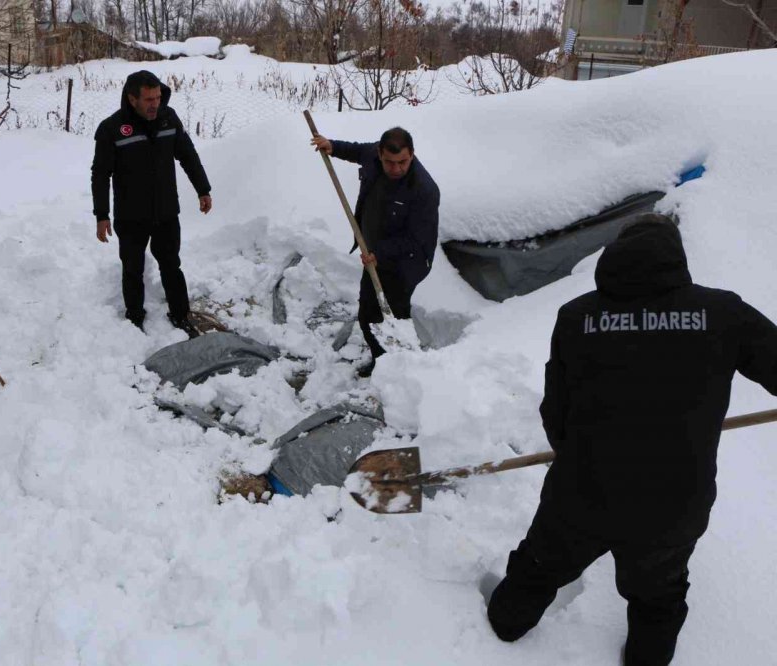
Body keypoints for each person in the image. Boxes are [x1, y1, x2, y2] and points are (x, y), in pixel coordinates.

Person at [487, 215, 777, 666]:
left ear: (615, 253)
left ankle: (501, 631)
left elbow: (555, 412)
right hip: (674, 502)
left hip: (582, 493)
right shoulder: (723, 314)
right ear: (676, 257)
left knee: (538, 570)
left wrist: (577, 457)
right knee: (657, 597)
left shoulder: (577, 316)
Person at [91, 70, 212, 337]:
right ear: (132, 98)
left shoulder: (168, 119)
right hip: (131, 215)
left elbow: (187, 155)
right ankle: (134, 318)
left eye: (157, 97)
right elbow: (100, 174)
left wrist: (203, 189)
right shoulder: (112, 129)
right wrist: (102, 214)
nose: (154, 104)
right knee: (132, 269)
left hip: (166, 211)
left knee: (172, 265)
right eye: (148, 99)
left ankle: (180, 315)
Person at [310, 127, 439, 377]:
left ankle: (402, 371)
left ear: (412, 154)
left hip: (407, 262)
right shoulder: (372, 154)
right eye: (390, 162)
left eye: (403, 162)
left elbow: (417, 240)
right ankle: (383, 363)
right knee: (368, 314)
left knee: (392, 319)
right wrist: (332, 146)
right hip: (376, 256)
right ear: (380, 154)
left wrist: (379, 251)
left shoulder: (424, 189)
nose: (397, 168)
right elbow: (357, 150)